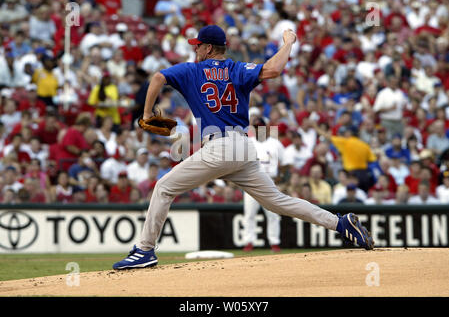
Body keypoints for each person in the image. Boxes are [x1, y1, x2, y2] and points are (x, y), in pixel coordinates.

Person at [113, 25, 374, 270]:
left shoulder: (191, 71)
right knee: (277, 201)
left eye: (197, 46)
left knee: (163, 187)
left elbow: (158, 77)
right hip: (243, 147)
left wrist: (147, 114)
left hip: (220, 147)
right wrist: (288, 43)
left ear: (208, 49)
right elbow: (273, 70)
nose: (195, 50)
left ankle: (145, 250)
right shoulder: (239, 69)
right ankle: (340, 223)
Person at [242, 117, 284, 253]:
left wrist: (280, 177)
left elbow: (285, 163)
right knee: (249, 214)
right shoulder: (248, 143)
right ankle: (249, 241)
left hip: (270, 180)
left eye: (260, 126)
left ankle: (275, 242)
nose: (258, 128)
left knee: (273, 214)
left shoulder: (275, 143)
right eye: (255, 127)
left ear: (265, 127)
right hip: (251, 182)